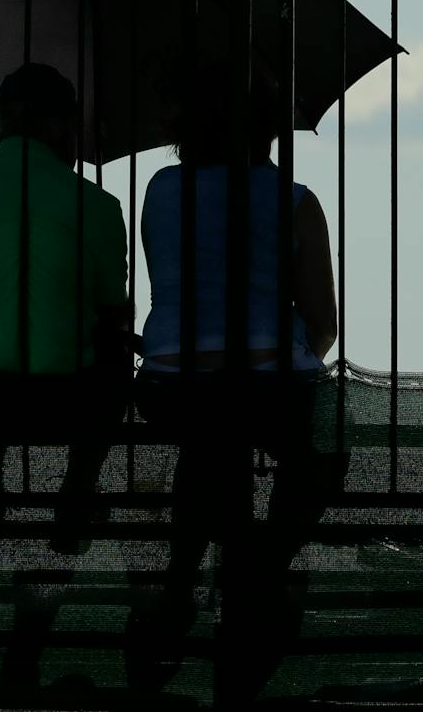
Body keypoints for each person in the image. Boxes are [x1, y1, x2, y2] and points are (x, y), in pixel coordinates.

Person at [131, 66, 344, 648]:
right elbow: (324, 325)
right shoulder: (297, 201)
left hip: (172, 379)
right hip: (271, 377)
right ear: (271, 129)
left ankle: (181, 583)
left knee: (209, 439)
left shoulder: (161, 189)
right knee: (318, 455)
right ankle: (261, 568)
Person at [0, 62, 131, 551]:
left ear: (0, 125)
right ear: (61, 127)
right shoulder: (94, 204)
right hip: (55, 402)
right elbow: (113, 311)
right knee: (114, 352)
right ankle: (77, 496)